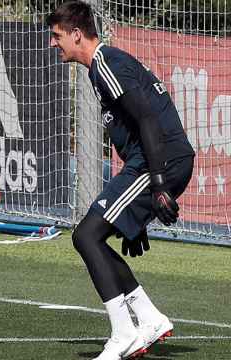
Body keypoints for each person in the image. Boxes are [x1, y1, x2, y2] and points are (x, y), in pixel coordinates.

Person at [46, 2, 195, 359]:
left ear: (77, 34)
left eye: (57, 36)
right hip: (153, 162)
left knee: (85, 235)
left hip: (159, 161)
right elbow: (133, 129)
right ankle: (149, 318)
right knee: (93, 237)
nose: (53, 44)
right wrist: (134, 219)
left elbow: (146, 119)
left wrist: (158, 183)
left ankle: (123, 332)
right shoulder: (100, 68)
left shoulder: (106, 63)